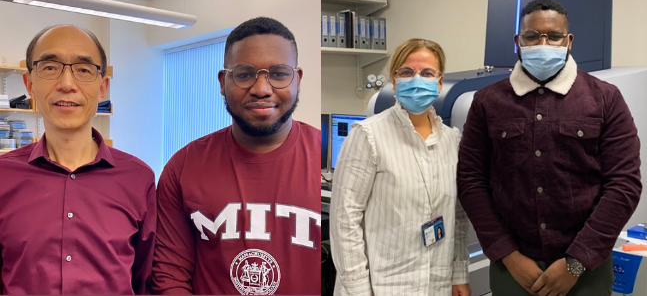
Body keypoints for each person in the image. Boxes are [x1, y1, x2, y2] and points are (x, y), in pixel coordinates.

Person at [457, 0, 642, 296]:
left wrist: (576, 263)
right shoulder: (488, 102)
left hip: (587, 268)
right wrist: (508, 256)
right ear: (518, 41)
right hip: (513, 268)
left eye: (553, 36)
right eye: (532, 36)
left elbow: (624, 184)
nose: (543, 42)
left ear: (568, 41)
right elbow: (471, 181)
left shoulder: (605, 99)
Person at [152, 17, 321, 295]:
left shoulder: (338, 161)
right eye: (244, 74)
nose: (262, 89)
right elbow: (169, 275)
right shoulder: (184, 167)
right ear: (223, 81)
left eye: (279, 74)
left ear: (297, 80)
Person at [0, 25, 156, 294]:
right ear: (30, 85)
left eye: (83, 70)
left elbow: (144, 279)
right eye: (50, 67)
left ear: (102, 87)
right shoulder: (3, 176)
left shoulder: (138, 179)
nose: (67, 84)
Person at [330, 38, 470, 296]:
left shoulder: (452, 140)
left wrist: (459, 274)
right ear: (394, 81)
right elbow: (344, 221)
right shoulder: (368, 136)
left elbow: (457, 216)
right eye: (407, 72)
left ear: (439, 83)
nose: (417, 80)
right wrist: (358, 290)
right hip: (383, 286)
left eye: (427, 73)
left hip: (436, 284)